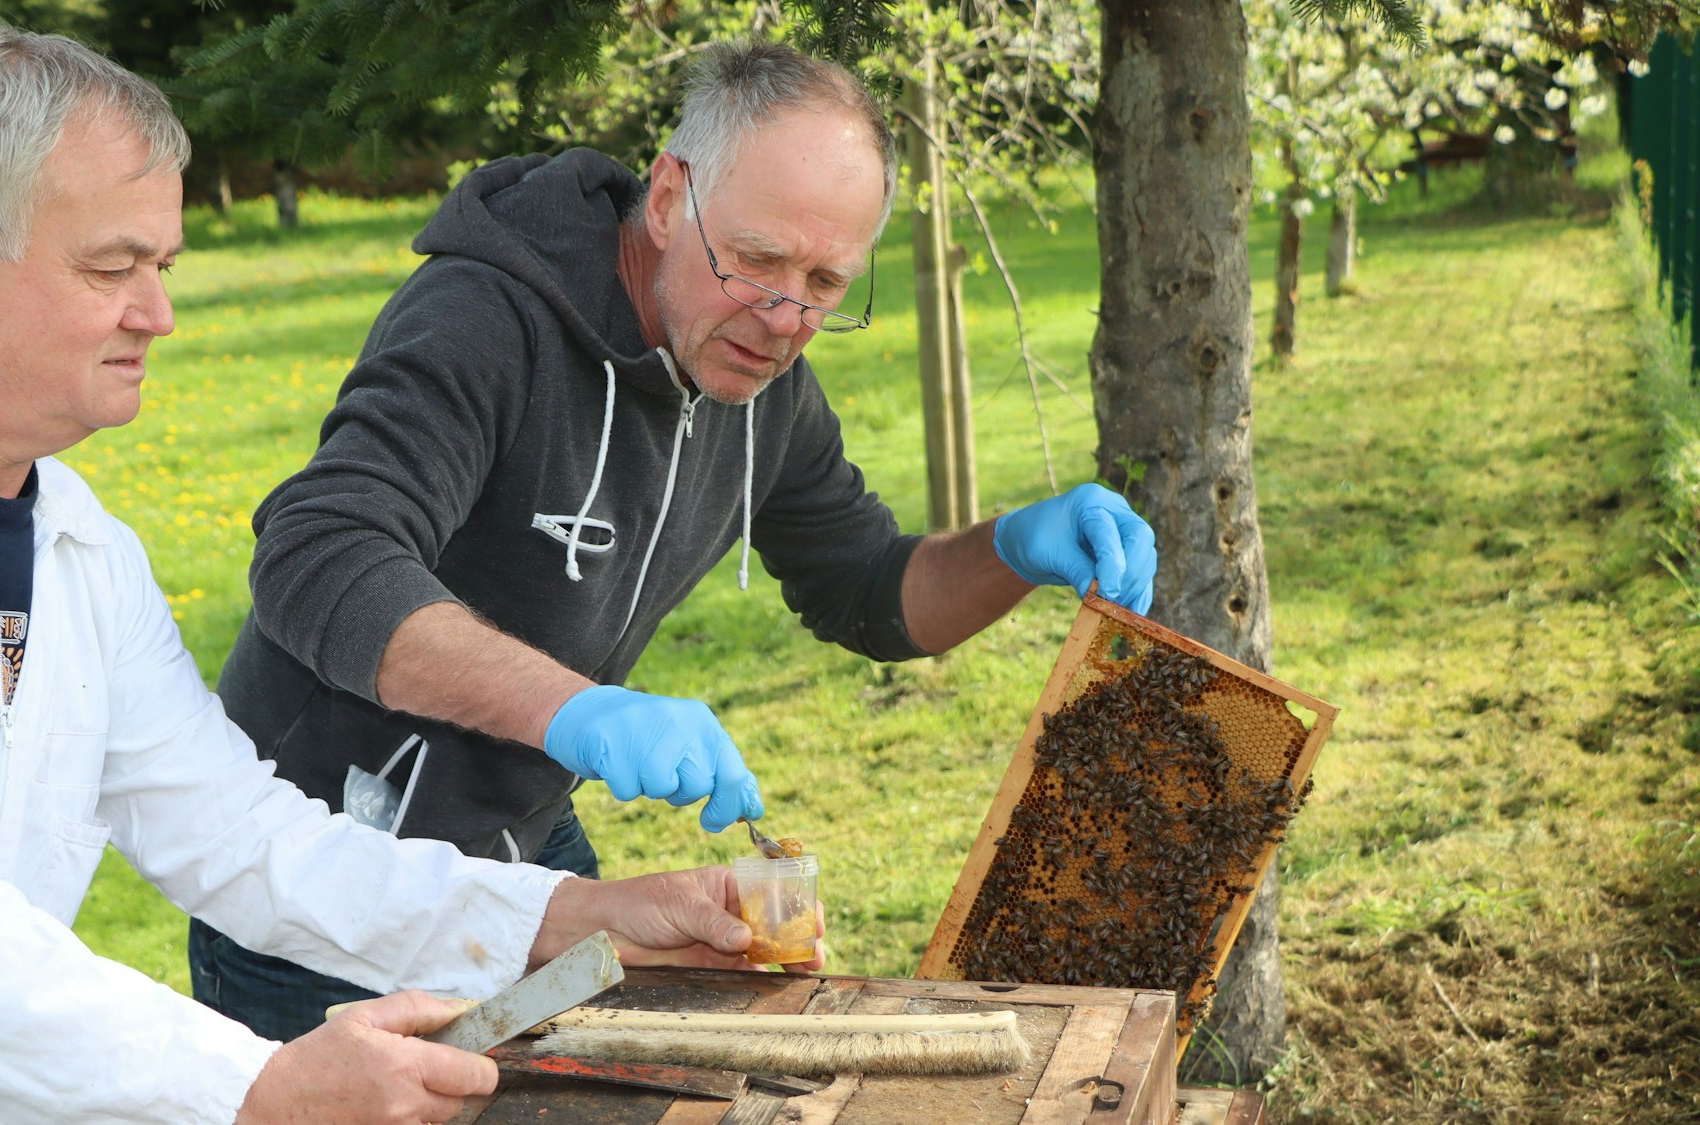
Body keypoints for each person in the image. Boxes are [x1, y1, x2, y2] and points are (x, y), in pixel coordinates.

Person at [0, 26, 811, 1125]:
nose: (159, 312)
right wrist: (244, 1083)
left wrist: (571, 917)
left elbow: (241, 837)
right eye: (111, 268)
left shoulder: (79, 549)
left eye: (162, 267)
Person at [191, 38, 1156, 1043]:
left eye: (826, 283)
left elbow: (867, 587)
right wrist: (577, 711)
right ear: (665, 200)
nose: (785, 319)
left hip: (521, 838)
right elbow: (318, 553)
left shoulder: (763, 384)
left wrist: (1011, 547)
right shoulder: (484, 318)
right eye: (754, 261)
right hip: (319, 866)